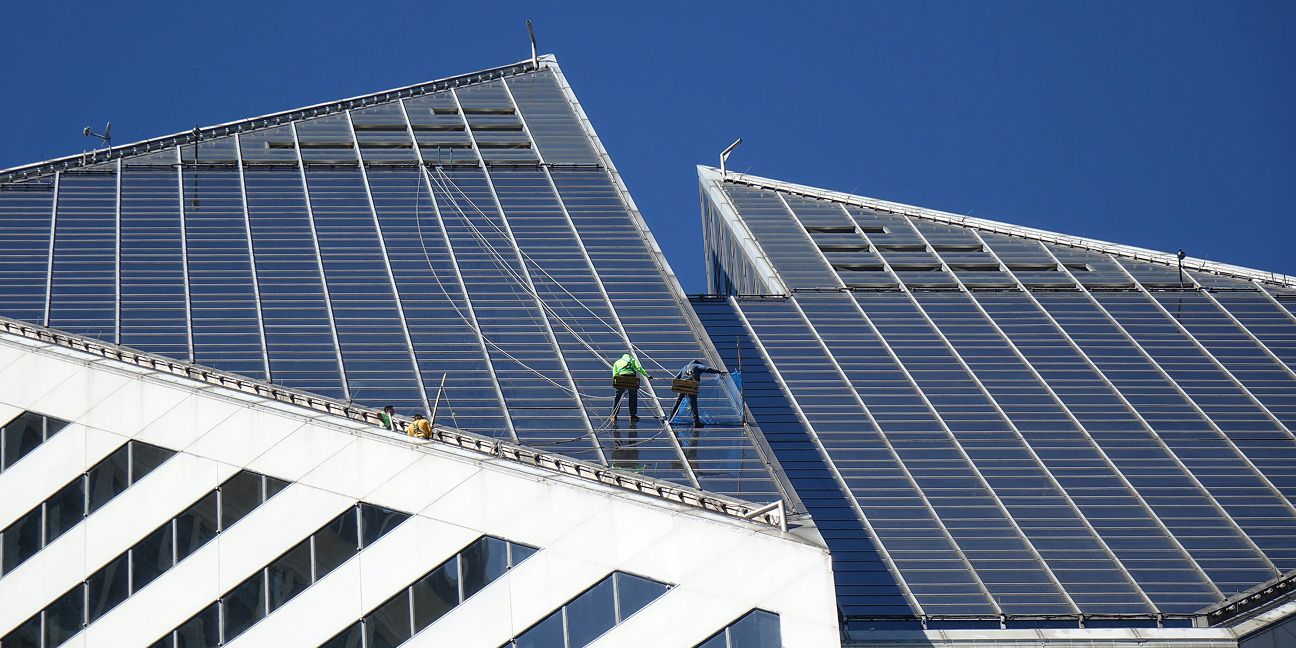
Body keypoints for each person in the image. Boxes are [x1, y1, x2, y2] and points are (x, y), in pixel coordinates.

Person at [669, 359, 727, 427]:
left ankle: (670, 418)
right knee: (693, 404)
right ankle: (696, 422)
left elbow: (676, 378)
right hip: (691, 385)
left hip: (682, 385)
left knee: (678, 403)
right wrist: (719, 372)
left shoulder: (685, 367)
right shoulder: (697, 365)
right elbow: (707, 369)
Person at [611, 353, 652, 422]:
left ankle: (614, 415)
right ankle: (633, 415)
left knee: (618, 396)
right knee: (633, 397)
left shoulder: (617, 362)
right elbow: (639, 368)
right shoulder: (632, 360)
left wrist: (616, 383)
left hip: (621, 379)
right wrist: (647, 375)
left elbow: (615, 374)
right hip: (631, 379)